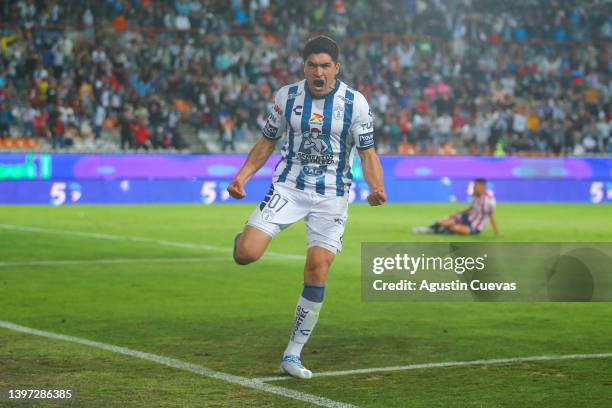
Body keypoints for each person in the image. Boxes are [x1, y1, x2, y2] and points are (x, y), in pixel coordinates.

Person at [227, 35, 386, 379]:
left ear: (336, 68)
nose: (319, 72)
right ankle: (244, 238)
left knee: (317, 268)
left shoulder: (355, 103)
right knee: (247, 254)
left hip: (331, 195)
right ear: (304, 67)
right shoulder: (287, 97)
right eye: (313, 65)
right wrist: (242, 176)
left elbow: (367, 153)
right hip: (288, 187)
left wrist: (376, 187)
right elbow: (267, 141)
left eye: (325, 66)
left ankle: (292, 355)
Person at [412, 178, 500, 237]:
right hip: (468, 218)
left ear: (481, 187)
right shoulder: (475, 195)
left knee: (454, 228)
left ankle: (434, 232)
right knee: (444, 221)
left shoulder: (489, 200)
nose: (473, 188)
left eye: (475, 186)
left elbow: (491, 216)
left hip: (476, 226)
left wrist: (497, 233)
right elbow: (472, 208)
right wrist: (458, 213)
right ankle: (428, 229)